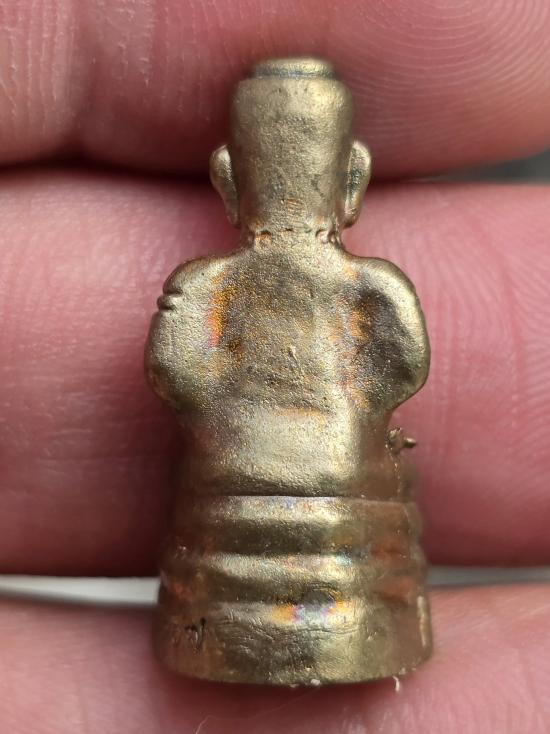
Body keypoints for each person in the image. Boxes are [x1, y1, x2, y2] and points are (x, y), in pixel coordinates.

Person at [0, 0, 548, 731]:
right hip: (351, 495)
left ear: (228, 180)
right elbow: (404, 370)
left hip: (224, 497)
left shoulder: (205, 286)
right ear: (353, 180)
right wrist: (349, 421)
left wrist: (237, 422)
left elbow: (175, 374)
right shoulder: (373, 285)